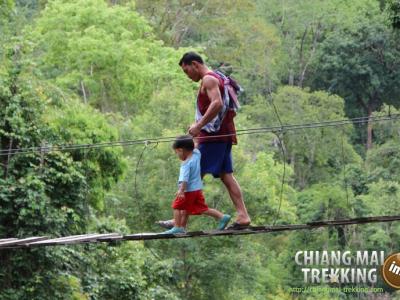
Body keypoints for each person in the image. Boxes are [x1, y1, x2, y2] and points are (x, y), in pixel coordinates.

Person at [157, 52, 251, 230]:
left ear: (195, 64)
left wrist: (199, 125)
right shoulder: (217, 77)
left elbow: (217, 104)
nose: (188, 75)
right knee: (226, 176)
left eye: (187, 71)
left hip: (212, 137)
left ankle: (179, 222)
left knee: (191, 173)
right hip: (223, 135)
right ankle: (243, 215)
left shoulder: (209, 80)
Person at [161, 135, 231, 234]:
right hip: (197, 189)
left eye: (177, 153)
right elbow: (196, 145)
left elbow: (184, 180)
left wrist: (181, 191)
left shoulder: (185, 164)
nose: (177, 155)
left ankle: (177, 227)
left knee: (176, 207)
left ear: (180, 150)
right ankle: (222, 217)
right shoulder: (196, 154)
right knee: (203, 209)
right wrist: (193, 137)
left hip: (188, 191)